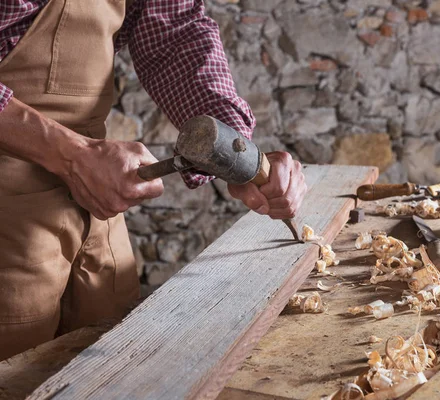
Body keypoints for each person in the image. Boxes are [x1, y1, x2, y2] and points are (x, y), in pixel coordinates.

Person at [0, 0, 306, 361]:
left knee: (108, 368)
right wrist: (71, 154)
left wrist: (233, 150)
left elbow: (174, 30)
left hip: (94, 204)